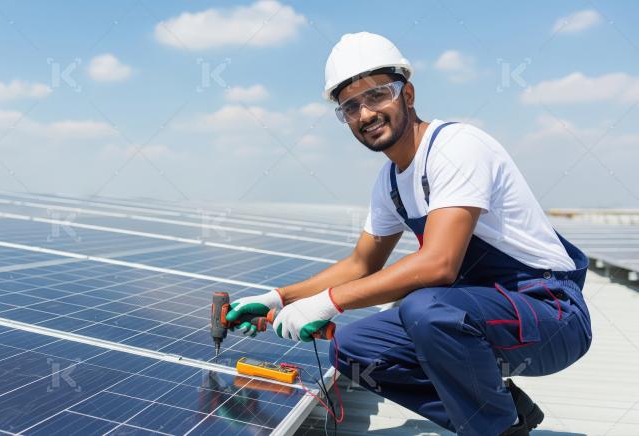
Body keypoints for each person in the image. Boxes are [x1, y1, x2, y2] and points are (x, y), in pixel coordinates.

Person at [226, 32, 592, 436]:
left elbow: (439, 264)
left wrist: (328, 303)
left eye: (377, 95)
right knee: (352, 348)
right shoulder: (390, 182)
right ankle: (503, 418)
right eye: (350, 107)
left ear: (408, 94)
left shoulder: (455, 147)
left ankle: (490, 427)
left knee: (426, 307)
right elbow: (361, 264)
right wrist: (278, 298)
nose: (365, 114)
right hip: (481, 314)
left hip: (550, 314)